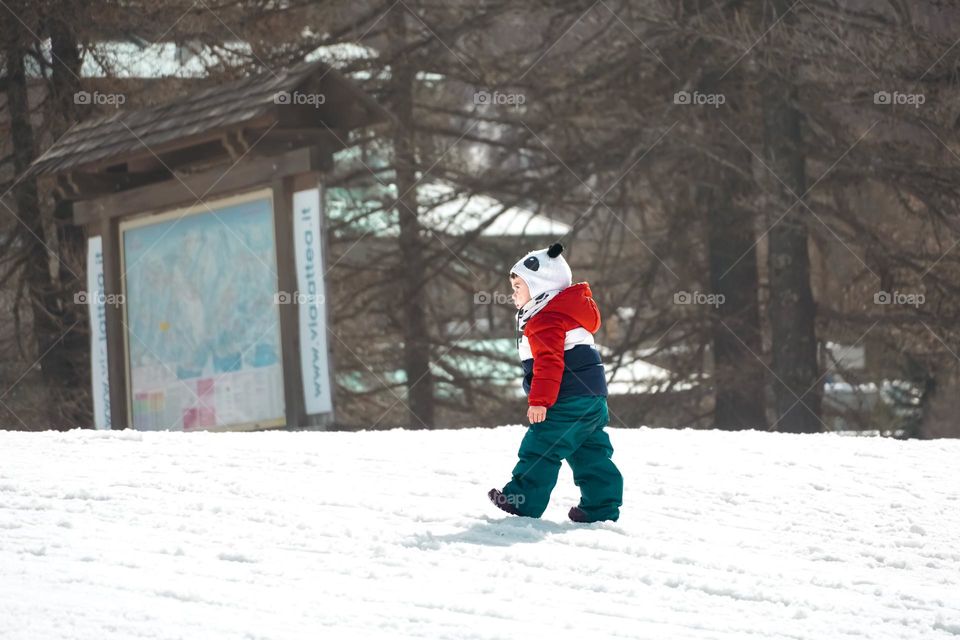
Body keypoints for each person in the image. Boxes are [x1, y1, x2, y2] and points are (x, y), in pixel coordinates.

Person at [488, 243, 623, 523]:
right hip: (592, 398)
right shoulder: (567, 314)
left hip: (567, 399)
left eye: (518, 287)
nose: (513, 294)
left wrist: (540, 401)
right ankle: (601, 507)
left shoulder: (545, 319)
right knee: (589, 451)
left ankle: (522, 501)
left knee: (541, 446)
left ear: (540, 286)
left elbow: (549, 363)